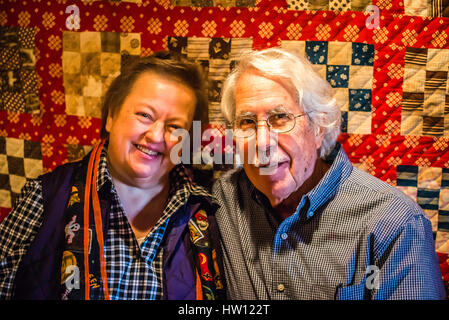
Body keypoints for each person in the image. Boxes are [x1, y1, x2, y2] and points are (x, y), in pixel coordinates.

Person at [213, 47, 446, 300]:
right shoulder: (220, 201)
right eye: (246, 122)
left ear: (318, 128)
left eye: (280, 117)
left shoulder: (394, 223)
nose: (261, 142)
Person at [0, 52, 224, 300]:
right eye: (145, 115)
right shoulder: (43, 199)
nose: (157, 136)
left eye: (175, 127)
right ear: (111, 116)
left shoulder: (209, 210)